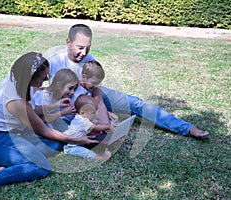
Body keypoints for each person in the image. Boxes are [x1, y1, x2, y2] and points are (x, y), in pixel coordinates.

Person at [0, 52, 98, 199]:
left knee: (56, 144)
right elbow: (42, 128)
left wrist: (54, 105)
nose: (46, 78)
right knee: (42, 166)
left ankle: (9, 165)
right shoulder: (14, 99)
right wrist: (77, 140)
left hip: (15, 134)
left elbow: (32, 110)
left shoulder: (22, 82)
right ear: (30, 77)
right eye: (43, 76)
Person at [45, 24, 209, 138]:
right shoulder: (53, 59)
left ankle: (186, 128)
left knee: (137, 103)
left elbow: (98, 94)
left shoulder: (89, 60)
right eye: (80, 47)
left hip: (94, 96)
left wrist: (104, 115)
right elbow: (36, 86)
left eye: (88, 48)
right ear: (68, 42)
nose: (84, 52)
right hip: (76, 104)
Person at [63, 94, 113, 161]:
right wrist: (108, 126)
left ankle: (104, 146)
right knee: (86, 152)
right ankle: (101, 158)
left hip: (81, 140)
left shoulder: (81, 117)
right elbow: (96, 128)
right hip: (71, 146)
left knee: (94, 139)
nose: (95, 114)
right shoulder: (82, 121)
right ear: (83, 113)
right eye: (93, 113)